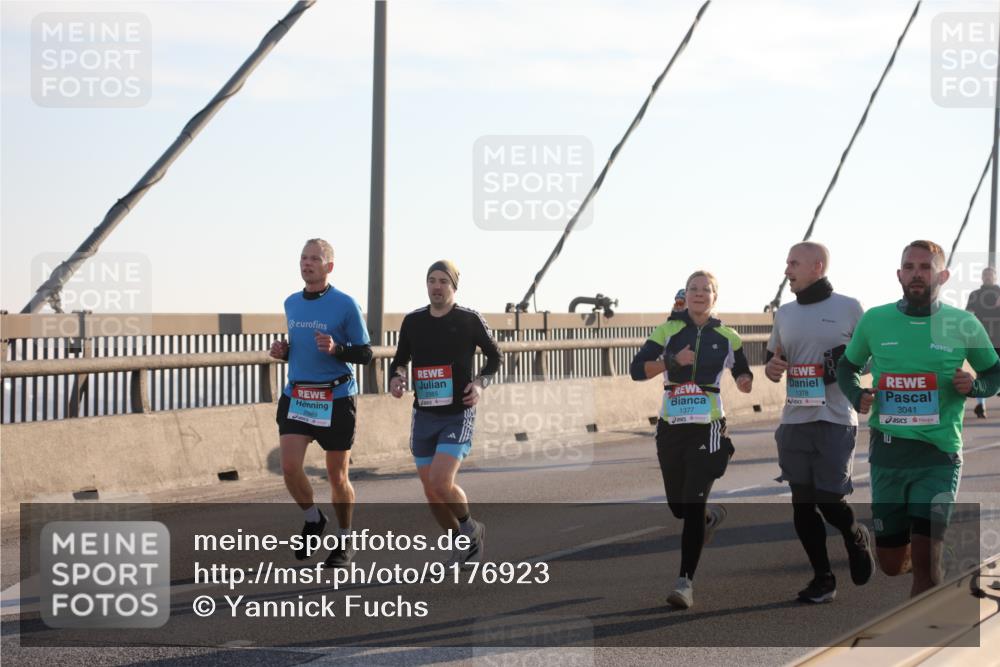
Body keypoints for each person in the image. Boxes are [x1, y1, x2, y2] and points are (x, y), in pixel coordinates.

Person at [837, 240, 1000, 597]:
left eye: (925, 267)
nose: (916, 274)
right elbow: (847, 365)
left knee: (927, 573)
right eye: (909, 267)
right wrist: (856, 395)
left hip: (938, 456)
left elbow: (994, 373)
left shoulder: (963, 323)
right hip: (888, 454)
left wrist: (975, 386)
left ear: (942, 275)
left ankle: (924, 633)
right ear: (899, 274)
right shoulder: (876, 320)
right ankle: (917, 551)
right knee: (892, 564)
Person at [629, 270, 753, 609]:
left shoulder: (728, 335)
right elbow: (637, 370)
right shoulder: (668, 330)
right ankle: (709, 518)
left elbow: (743, 368)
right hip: (672, 424)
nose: (699, 294)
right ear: (685, 294)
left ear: (715, 297)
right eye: (693, 289)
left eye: (706, 289)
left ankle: (685, 582)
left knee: (694, 501)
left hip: (708, 423)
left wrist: (744, 380)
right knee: (679, 506)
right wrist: (671, 360)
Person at [764, 242, 874, 604]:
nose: (786, 269)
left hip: (836, 417)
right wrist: (773, 369)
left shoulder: (849, 307)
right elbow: (773, 363)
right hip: (796, 417)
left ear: (817, 266)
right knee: (801, 503)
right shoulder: (785, 313)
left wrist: (843, 365)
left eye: (793, 263)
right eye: (786, 263)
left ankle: (854, 534)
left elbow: (870, 359)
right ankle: (823, 578)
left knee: (829, 500)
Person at [388, 260, 503, 568]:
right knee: (432, 493)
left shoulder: (469, 319)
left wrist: (479, 384)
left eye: (442, 281)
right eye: (431, 280)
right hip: (424, 415)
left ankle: (470, 528)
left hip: (458, 413)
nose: (436, 286)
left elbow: (495, 357)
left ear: (453, 286)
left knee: (441, 481)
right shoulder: (413, 321)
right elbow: (400, 358)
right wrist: (397, 376)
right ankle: (461, 543)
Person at [269, 239, 372, 568]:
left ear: (329, 266)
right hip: (298, 395)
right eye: (303, 257)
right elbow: (300, 347)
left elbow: (365, 353)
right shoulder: (291, 302)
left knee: (337, 476)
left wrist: (338, 349)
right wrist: (285, 352)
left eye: (315, 258)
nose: (307, 263)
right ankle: (314, 520)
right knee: (288, 467)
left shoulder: (345, 304)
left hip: (336, 397)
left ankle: (346, 539)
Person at [965, 266, 1000, 418]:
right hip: (982, 339)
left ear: (995, 277)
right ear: (981, 277)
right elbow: (969, 314)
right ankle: (981, 406)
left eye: (990, 274)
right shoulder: (975, 294)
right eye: (985, 274)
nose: (987, 277)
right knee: (982, 372)